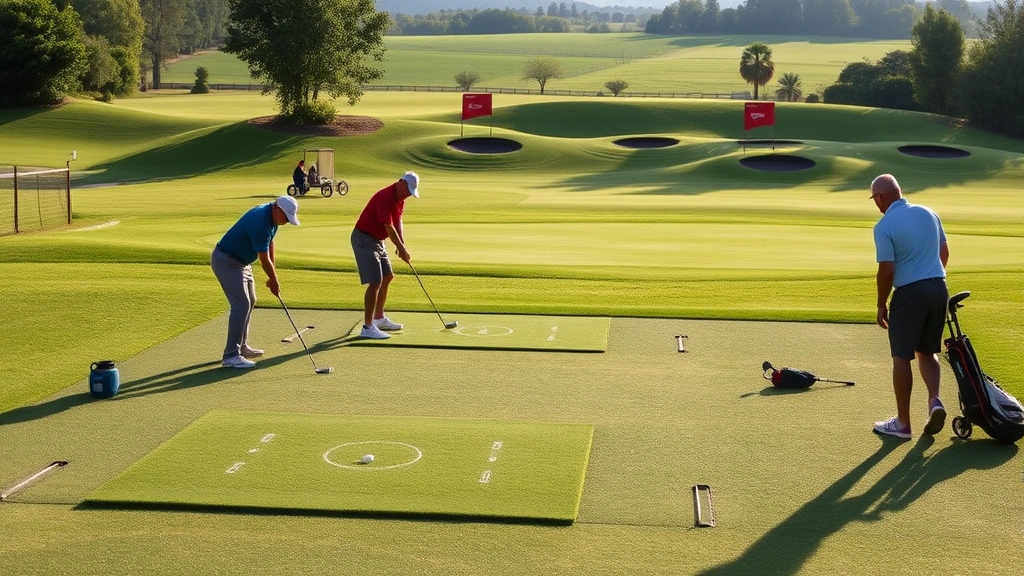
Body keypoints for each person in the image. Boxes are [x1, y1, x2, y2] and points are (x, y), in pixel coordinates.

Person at [870, 174, 950, 439]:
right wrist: (929, 277)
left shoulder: (884, 225)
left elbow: (886, 271)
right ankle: (935, 401)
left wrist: (881, 305)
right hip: (939, 288)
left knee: (902, 356)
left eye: (875, 200)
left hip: (909, 294)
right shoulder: (929, 213)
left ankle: (903, 424)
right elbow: (944, 253)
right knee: (926, 351)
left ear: (880, 198)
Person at [211, 196, 300, 368]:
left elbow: (269, 243)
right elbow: (263, 259)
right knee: (241, 304)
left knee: (251, 301)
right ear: (277, 208)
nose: (287, 221)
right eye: (286, 217)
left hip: (242, 263)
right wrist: (274, 280)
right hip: (226, 261)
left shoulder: (272, 218)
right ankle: (230, 356)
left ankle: (242, 347)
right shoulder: (260, 220)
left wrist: (272, 276)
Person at [351, 171, 420, 339]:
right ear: (401, 183)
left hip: (378, 241)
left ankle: (379, 318)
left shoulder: (400, 200)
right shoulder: (385, 196)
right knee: (375, 281)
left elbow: (398, 222)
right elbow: (388, 227)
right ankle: (368, 327)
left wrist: (401, 245)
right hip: (364, 238)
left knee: (388, 276)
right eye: (408, 191)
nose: (409, 195)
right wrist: (401, 249)